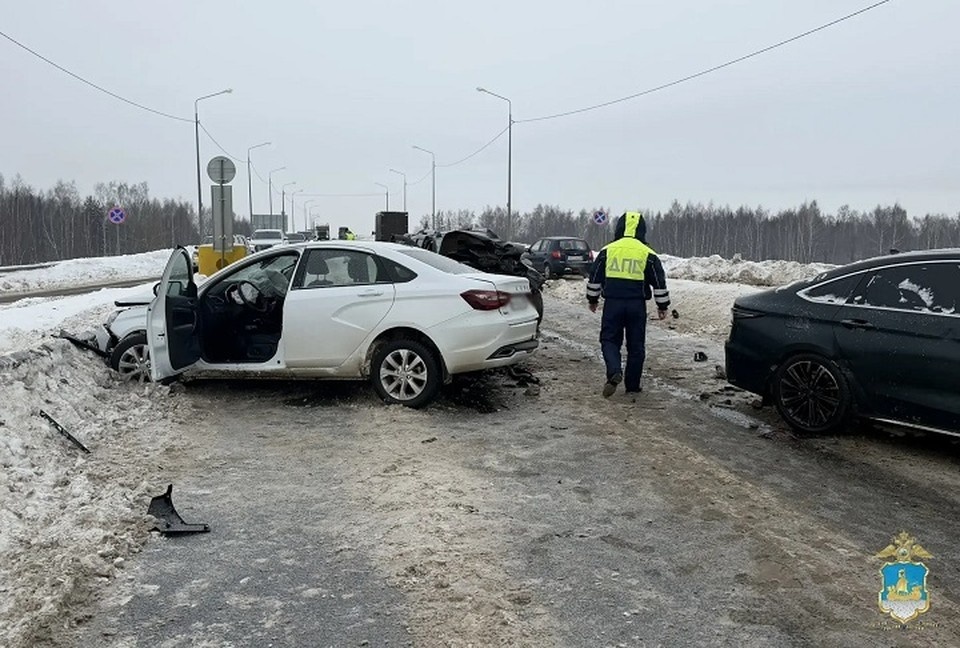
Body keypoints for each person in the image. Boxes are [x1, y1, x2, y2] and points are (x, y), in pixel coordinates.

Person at [586, 211, 670, 398]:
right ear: (642, 230)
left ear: (619, 227)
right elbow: (659, 281)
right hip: (636, 306)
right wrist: (662, 306)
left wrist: (592, 300)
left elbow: (595, 277)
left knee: (609, 340)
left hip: (613, 304)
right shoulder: (647, 253)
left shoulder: (608, 251)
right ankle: (632, 385)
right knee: (636, 346)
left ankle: (614, 371)